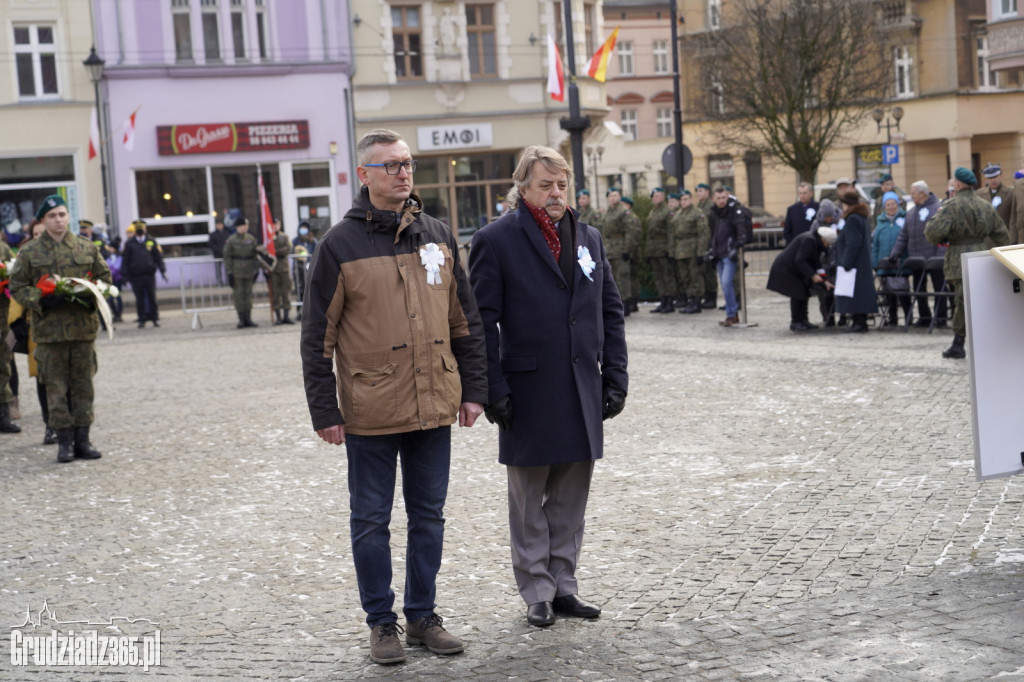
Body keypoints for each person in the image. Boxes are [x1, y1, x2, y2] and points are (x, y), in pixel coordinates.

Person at [300, 128, 487, 665]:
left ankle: (423, 616)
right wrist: (324, 410)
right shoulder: (339, 244)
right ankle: (382, 624)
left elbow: (463, 319)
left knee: (429, 516)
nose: (402, 173)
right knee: (371, 520)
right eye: (390, 165)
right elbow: (318, 336)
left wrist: (474, 389)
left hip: (433, 402)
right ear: (364, 175)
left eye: (406, 163)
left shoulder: (437, 234)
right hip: (371, 408)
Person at [468, 145, 627, 628]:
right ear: (523, 187)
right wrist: (493, 389)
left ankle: (564, 586)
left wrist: (616, 375)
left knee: (570, 497)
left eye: (562, 185)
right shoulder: (495, 240)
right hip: (527, 389)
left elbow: (610, 310)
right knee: (529, 496)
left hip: (582, 384)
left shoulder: (590, 239)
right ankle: (536, 586)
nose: (556, 194)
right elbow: (481, 323)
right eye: (545, 185)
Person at [9, 194, 111, 461]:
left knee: (83, 386)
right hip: (50, 332)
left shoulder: (86, 248)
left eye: (62, 215)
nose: (58, 220)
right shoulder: (30, 252)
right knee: (55, 388)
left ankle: (83, 440)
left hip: (82, 330)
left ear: (68, 217)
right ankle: (63, 441)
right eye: (52, 216)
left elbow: (105, 280)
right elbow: (17, 287)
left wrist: (92, 295)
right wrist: (41, 298)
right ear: (43, 220)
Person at [925, 167, 1009, 359]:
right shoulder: (985, 205)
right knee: (981, 301)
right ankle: (987, 340)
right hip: (981, 256)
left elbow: (933, 233)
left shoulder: (951, 206)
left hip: (958, 258)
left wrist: (946, 235)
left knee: (961, 302)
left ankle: (958, 342)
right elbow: (1003, 235)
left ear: (958, 184)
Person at [889, 180, 947, 327]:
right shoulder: (911, 213)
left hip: (935, 258)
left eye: (913, 193)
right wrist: (895, 252)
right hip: (917, 258)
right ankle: (924, 316)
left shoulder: (938, 209)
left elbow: (943, 234)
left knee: (939, 287)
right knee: (918, 288)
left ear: (922, 193)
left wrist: (940, 255)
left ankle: (941, 317)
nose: (911, 196)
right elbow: (903, 236)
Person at [767, 226, 837, 331]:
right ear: (823, 239)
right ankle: (796, 322)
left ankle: (803, 320)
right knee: (798, 292)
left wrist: (825, 280)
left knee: (804, 292)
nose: (827, 246)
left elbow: (816, 263)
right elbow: (800, 260)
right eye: (828, 243)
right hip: (787, 269)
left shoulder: (816, 242)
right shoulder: (809, 240)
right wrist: (813, 275)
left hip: (795, 270)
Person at [834, 191, 878, 333]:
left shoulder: (853, 218)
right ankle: (860, 321)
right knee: (859, 293)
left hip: (855, 264)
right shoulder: (861, 217)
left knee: (855, 294)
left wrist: (846, 262)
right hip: (861, 263)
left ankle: (859, 322)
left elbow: (853, 243)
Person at [706, 187, 747, 326]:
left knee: (726, 283)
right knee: (724, 286)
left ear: (728, 196)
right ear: (714, 199)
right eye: (718, 198)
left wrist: (737, 246)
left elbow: (741, 229)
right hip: (718, 253)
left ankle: (732, 314)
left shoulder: (734, 210)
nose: (721, 200)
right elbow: (712, 233)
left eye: (723, 197)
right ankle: (731, 314)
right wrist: (710, 249)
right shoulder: (713, 213)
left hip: (729, 253)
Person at [871, 192, 910, 326]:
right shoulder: (880, 222)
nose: (891, 207)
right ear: (884, 207)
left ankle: (908, 317)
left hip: (901, 262)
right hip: (885, 263)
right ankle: (892, 318)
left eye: (893, 204)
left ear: (898, 204)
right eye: (888, 205)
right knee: (889, 293)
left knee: (903, 291)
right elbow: (875, 244)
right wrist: (875, 263)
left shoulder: (905, 219)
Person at [121, 220, 167, 328]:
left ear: (145, 230)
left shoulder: (151, 241)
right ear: (135, 231)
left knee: (152, 297)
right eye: (138, 230)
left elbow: (158, 257)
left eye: (142, 229)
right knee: (139, 299)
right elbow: (125, 260)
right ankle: (142, 319)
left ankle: (155, 318)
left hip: (149, 275)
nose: (140, 231)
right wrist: (124, 275)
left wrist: (162, 270)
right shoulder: (129, 243)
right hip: (136, 276)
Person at [670, 190, 710, 315]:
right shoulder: (677, 214)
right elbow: (673, 235)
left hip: (693, 250)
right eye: (682, 199)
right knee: (685, 277)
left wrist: (701, 252)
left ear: (691, 200)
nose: (684, 201)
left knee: (695, 277)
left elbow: (703, 234)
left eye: (686, 199)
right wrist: (672, 252)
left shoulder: (697, 213)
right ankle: (690, 300)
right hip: (680, 251)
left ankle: (696, 301)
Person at [600, 188, 635, 316]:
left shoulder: (623, 211)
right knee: (612, 279)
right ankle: (615, 304)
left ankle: (626, 304)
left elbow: (630, 231)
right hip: (610, 250)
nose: (612, 198)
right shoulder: (609, 211)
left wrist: (627, 249)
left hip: (620, 249)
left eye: (615, 195)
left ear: (619, 197)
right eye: (610, 196)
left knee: (623, 277)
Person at [808, 200, 840, 326]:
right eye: (826, 217)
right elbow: (811, 240)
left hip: (837, 260)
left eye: (830, 216)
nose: (829, 219)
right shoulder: (816, 224)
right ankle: (828, 317)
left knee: (839, 291)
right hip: (822, 262)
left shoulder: (839, 222)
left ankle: (842, 316)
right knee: (824, 292)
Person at [223, 218, 260, 328]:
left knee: (248, 295)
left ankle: (248, 318)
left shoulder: (251, 239)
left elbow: (256, 256)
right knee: (239, 295)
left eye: (246, 225)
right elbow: (227, 257)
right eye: (243, 225)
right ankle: (241, 319)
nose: (245, 227)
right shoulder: (231, 240)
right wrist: (229, 273)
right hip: (237, 272)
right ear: (238, 227)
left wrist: (256, 270)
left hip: (248, 271)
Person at [645, 187, 676, 313]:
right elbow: (649, 233)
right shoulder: (653, 211)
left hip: (664, 248)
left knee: (667, 276)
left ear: (663, 197)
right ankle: (663, 300)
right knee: (658, 276)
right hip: (654, 249)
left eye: (658, 196)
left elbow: (671, 232)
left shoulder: (667, 212)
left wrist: (671, 250)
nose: (656, 198)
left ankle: (670, 302)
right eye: (654, 196)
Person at [0, 234, 18, 433]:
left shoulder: (3, 248)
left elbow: (14, 274)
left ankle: (3, 414)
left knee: (4, 364)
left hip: (3, 318)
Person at [694, 183, 718, 308]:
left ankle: (712, 298)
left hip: (710, 242)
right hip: (702, 242)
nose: (699, 193)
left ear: (708, 192)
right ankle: (707, 297)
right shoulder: (699, 206)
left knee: (710, 272)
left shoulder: (711, 206)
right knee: (704, 271)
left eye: (701, 191)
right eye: (697, 191)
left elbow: (714, 225)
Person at [268, 219, 293, 325]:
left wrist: (275, 252)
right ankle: (278, 317)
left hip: (284, 268)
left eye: (277, 224)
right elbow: (266, 250)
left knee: (286, 292)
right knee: (275, 293)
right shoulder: (268, 238)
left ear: (280, 225)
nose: (275, 226)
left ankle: (286, 316)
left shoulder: (284, 236)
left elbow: (288, 249)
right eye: (273, 224)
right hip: (273, 269)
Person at [292, 221, 318, 321]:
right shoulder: (295, 240)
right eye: (301, 228)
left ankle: (311, 312)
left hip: (310, 268)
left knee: (311, 291)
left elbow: (316, 252)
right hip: (298, 270)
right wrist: (298, 257)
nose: (303, 230)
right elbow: (292, 252)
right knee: (300, 291)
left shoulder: (313, 240)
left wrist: (310, 260)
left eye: (305, 228)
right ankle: (300, 312)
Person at [977, 163, 1013, 228]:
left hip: (1005, 234)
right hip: (987, 236)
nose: (993, 180)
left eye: (995, 177)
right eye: (990, 178)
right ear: (986, 180)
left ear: (1001, 176)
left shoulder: (1010, 192)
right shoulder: (980, 194)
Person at [209, 219, 230, 286]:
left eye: (220, 224)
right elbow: (211, 244)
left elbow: (229, 243)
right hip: (217, 255)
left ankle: (228, 282)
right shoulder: (213, 235)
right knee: (218, 270)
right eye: (217, 225)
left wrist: (226, 251)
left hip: (226, 255)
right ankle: (219, 282)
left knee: (227, 269)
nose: (219, 226)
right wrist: (218, 250)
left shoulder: (226, 234)